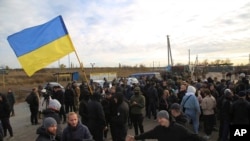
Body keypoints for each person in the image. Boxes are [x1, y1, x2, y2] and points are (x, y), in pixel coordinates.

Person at [126, 110, 205, 141]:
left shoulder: (178, 128)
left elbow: (192, 136)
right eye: (158, 119)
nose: (159, 121)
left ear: (167, 118)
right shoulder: (158, 129)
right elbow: (147, 134)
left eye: (161, 118)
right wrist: (135, 137)